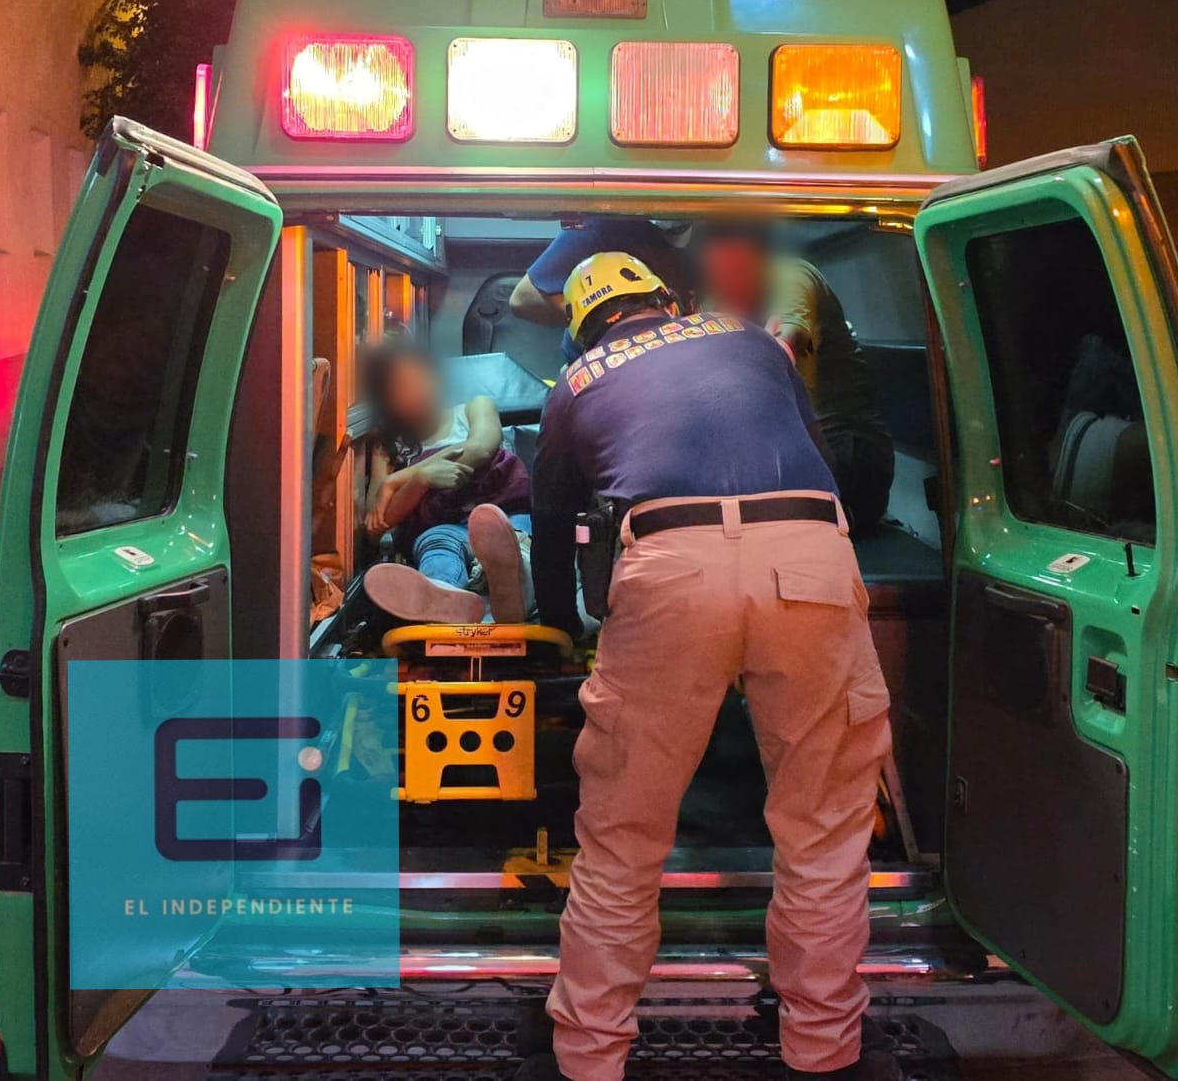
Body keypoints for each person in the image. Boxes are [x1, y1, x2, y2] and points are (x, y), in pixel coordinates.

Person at [520, 253, 896, 1081]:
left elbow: (552, 531)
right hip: (807, 550)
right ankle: (823, 1050)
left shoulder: (575, 383)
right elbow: (816, 453)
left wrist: (558, 635)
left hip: (668, 560)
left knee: (622, 838)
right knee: (825, 830)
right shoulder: (748, 338)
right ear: (668, 300)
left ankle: (588, 1057)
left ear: (584, 327)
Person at [694, 221, 895, 533]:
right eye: (718, 275)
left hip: (848, 460)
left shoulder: (792, 276)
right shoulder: (714, 304)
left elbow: (789, 340)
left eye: (737, 271)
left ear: (760, 261)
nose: (728, 284)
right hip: (787, 458)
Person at [361, 338, 532, 624]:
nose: (414, 392)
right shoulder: (390, 444)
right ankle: (443, 600)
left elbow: (480, 447)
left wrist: (399, 479)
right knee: (437, 547)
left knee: (512, 543)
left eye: (418, 379)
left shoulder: (474, 408)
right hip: (444, 528)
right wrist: (421, 480)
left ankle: (511, 593)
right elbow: (377, 521)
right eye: (400, 387)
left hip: (502, 516)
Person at [510, 215, 693, 360]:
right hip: (606, 360)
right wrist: (607, 321)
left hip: (681, 355)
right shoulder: (609, 225)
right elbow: (522, 299)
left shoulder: (715, 216)